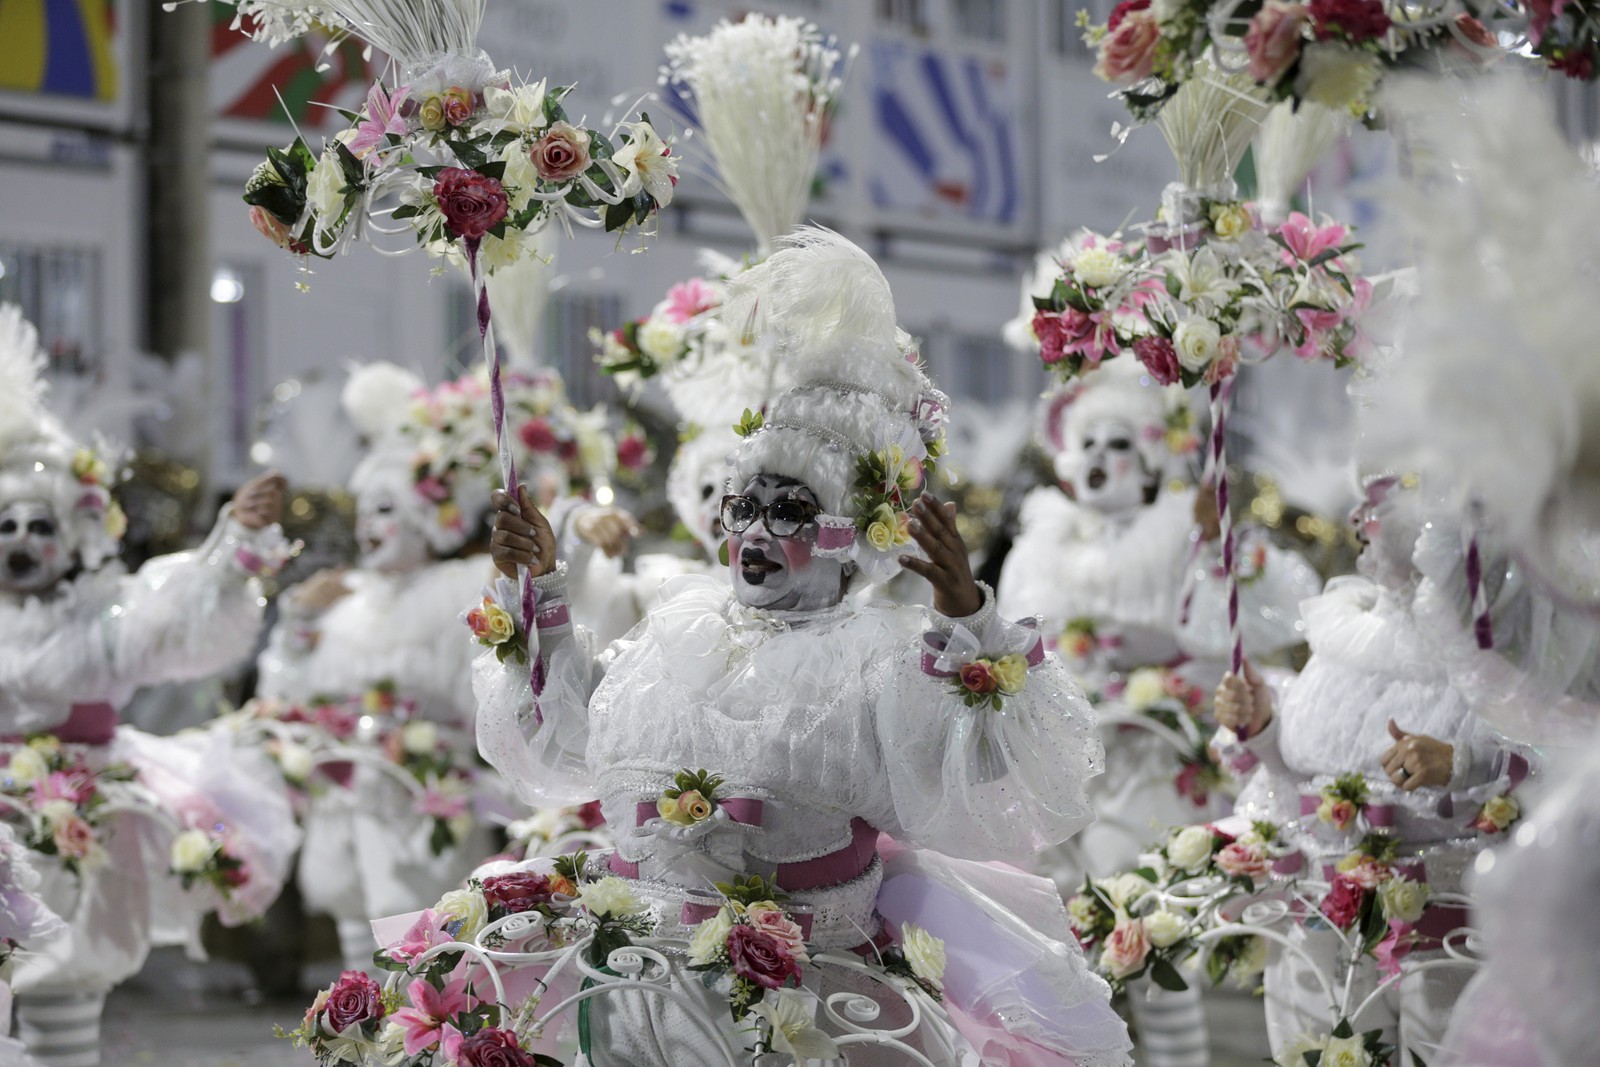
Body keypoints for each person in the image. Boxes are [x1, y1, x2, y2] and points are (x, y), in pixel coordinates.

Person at [467, 229, 1133, 1066]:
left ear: (847, 536)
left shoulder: (877, 659)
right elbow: (567, 740)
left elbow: (982, 781)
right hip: (635, 992)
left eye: (787, 510)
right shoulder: (679, 625)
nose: (753, 529)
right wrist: (541, 597)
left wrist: (969, 620)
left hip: (800, 1013)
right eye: (744, 504)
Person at [0, 304, 299, 1067]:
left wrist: (232, 544)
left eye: (38, 525)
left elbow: (182, 616)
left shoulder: (103, 613)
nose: (23, 542)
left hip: (81, 818)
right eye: (5, 526)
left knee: (61, 988)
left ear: (70, 532)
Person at [1213, 475, 1537, 1062]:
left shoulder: (1506, 638)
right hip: (1318, 925)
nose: (1363, 516)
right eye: (1366, 501)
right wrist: (1264, 729)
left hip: (1447, 941)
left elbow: (1562, 764)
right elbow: (1298, 772)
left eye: (1386, 499)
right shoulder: (1348, 629)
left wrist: (1466, 762)